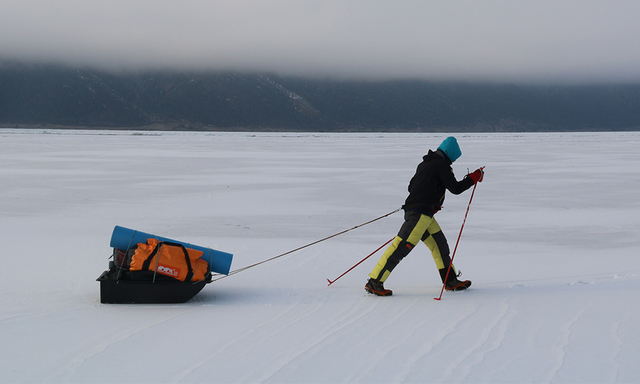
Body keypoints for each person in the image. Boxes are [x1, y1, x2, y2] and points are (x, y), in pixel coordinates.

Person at [365, 137, 484, 296]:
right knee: (401, 247)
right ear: (451, 154)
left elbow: (411, 186)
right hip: (420, 215)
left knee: (439, 245)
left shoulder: (425, 164)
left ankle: (450, 280)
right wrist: (473, 178)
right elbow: (455, 188)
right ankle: (375, 281)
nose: (453, 161)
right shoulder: (442, 166)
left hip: (422, 213)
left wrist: (429, 200)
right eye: (455, 158)